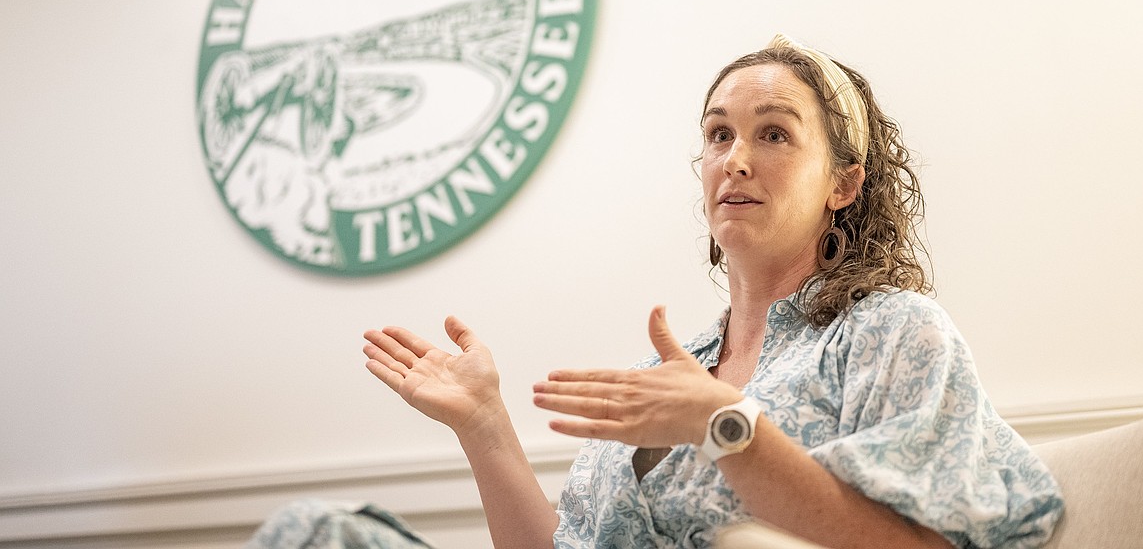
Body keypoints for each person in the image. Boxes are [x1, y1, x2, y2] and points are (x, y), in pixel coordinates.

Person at [360, 35, 1064, 549]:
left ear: (843, 184)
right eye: (719, 134)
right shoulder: (666, 376)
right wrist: (484, 425)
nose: (737, 160)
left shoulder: (891, 334)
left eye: (775, 134)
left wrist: (725, 425)